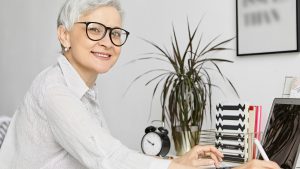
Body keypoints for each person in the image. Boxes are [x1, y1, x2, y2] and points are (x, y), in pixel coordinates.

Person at [0, 0, 280, 169]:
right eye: (94, 29)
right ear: (64, 35)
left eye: (115, 33)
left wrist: (178, 162)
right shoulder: (54, 91)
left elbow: (114, 156)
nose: (107, 42)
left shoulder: (82, 91)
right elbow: (107, 159)